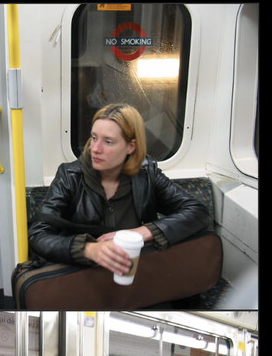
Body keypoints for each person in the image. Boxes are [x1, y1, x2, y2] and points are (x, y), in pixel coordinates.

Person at [28, 103, 210, 277]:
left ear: (131, 146)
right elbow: (38, 235)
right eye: (93, 138)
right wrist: (88, 249)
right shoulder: (69, 176)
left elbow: (198, 212)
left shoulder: (147, 175)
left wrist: (142, 232)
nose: (95, 149)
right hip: (83, 276)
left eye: (108, 141)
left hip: (137, 274)